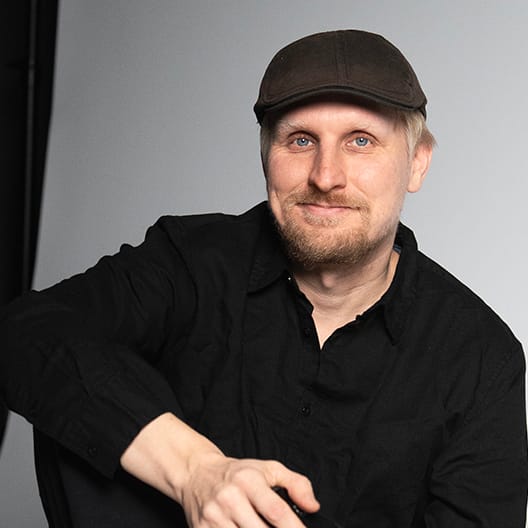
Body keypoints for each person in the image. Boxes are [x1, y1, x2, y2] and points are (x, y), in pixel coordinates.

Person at [1, 29, 527, 528]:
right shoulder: (189, 263)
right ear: (265, 157)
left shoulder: (482, 358)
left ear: (417, 163)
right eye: (300, 140)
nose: (325, 176)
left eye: (361, 141)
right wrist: (195, 471)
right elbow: (25, 333)